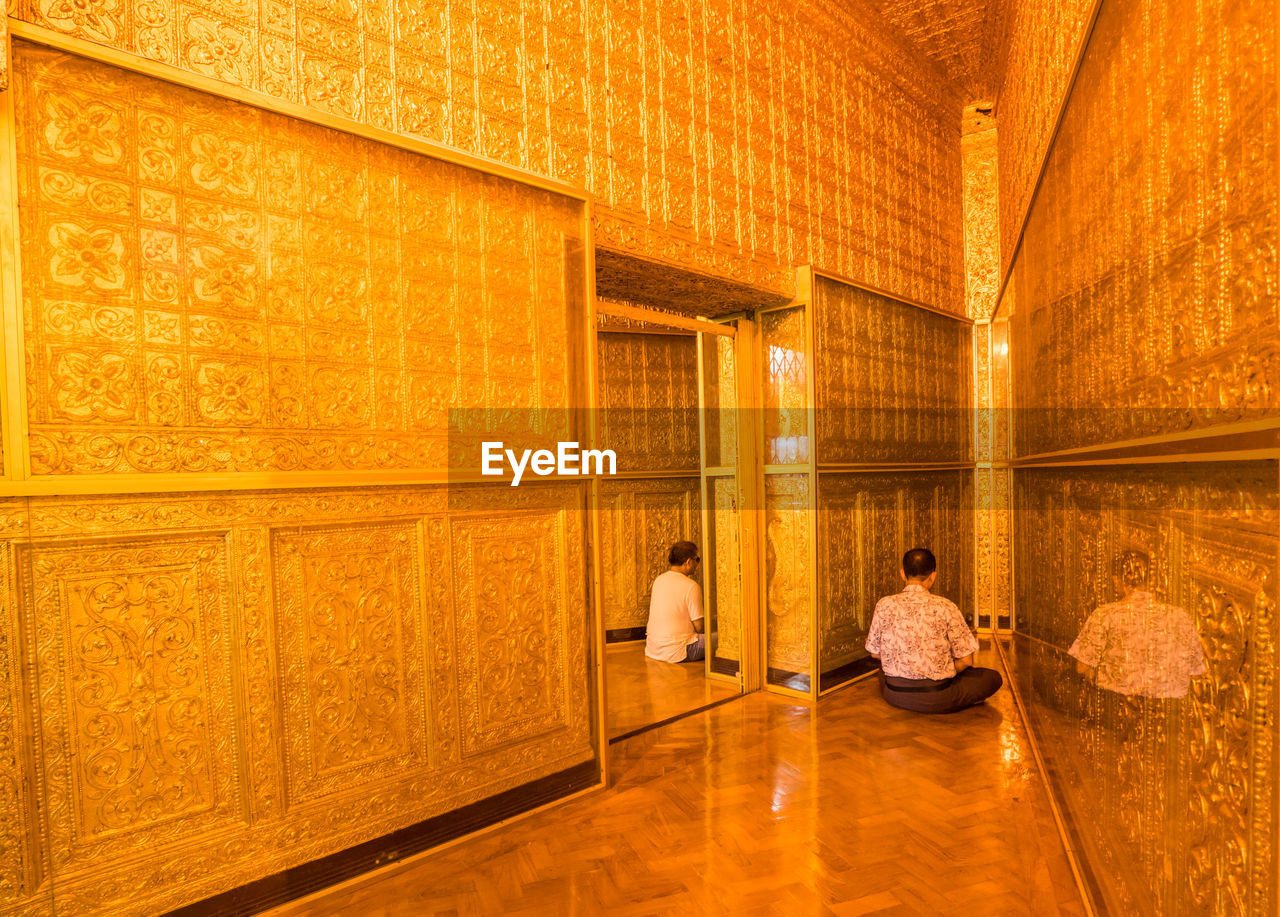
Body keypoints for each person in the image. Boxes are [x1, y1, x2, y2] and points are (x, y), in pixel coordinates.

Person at [865, 547, 1002, 713]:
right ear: (932, 577)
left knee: (883, 672)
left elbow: (875, 653)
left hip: (895, 693)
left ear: (903, 574)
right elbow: (966, 661)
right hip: (937, 696)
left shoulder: (884, 604)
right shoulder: (945, 606)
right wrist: (945, 668)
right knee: (991, 678)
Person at [1068, 549, 1204, 699]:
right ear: (1151, 580)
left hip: (1118, 707)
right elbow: (1197, 672)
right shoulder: (1181, 616)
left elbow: (1081, 668)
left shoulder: (1105, 614)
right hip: (1166, 708)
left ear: (1116, 580)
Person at [645, 541, 705, 663]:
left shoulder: (658, 580)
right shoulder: (691, 586)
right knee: (723, 639)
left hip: (653, 649)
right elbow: (700, 627)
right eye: (697, 559)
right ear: (688, 562)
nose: (697, 564)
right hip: (678, 650)